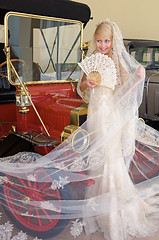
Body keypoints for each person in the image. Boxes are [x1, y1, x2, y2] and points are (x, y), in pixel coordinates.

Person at [0, 19, 159, 240]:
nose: (102, 45)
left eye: (106, 41)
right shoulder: (90, 60)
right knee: (97, 157)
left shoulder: (115, 61)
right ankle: (99, 201)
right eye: (99, 41)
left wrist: (138, 80)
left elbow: (124, 91)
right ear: (94, 41)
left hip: (109, 114)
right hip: (94, 113)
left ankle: (115, 209)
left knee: (110, 160)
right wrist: (87, 84)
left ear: (113, 42)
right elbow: (81, 87)